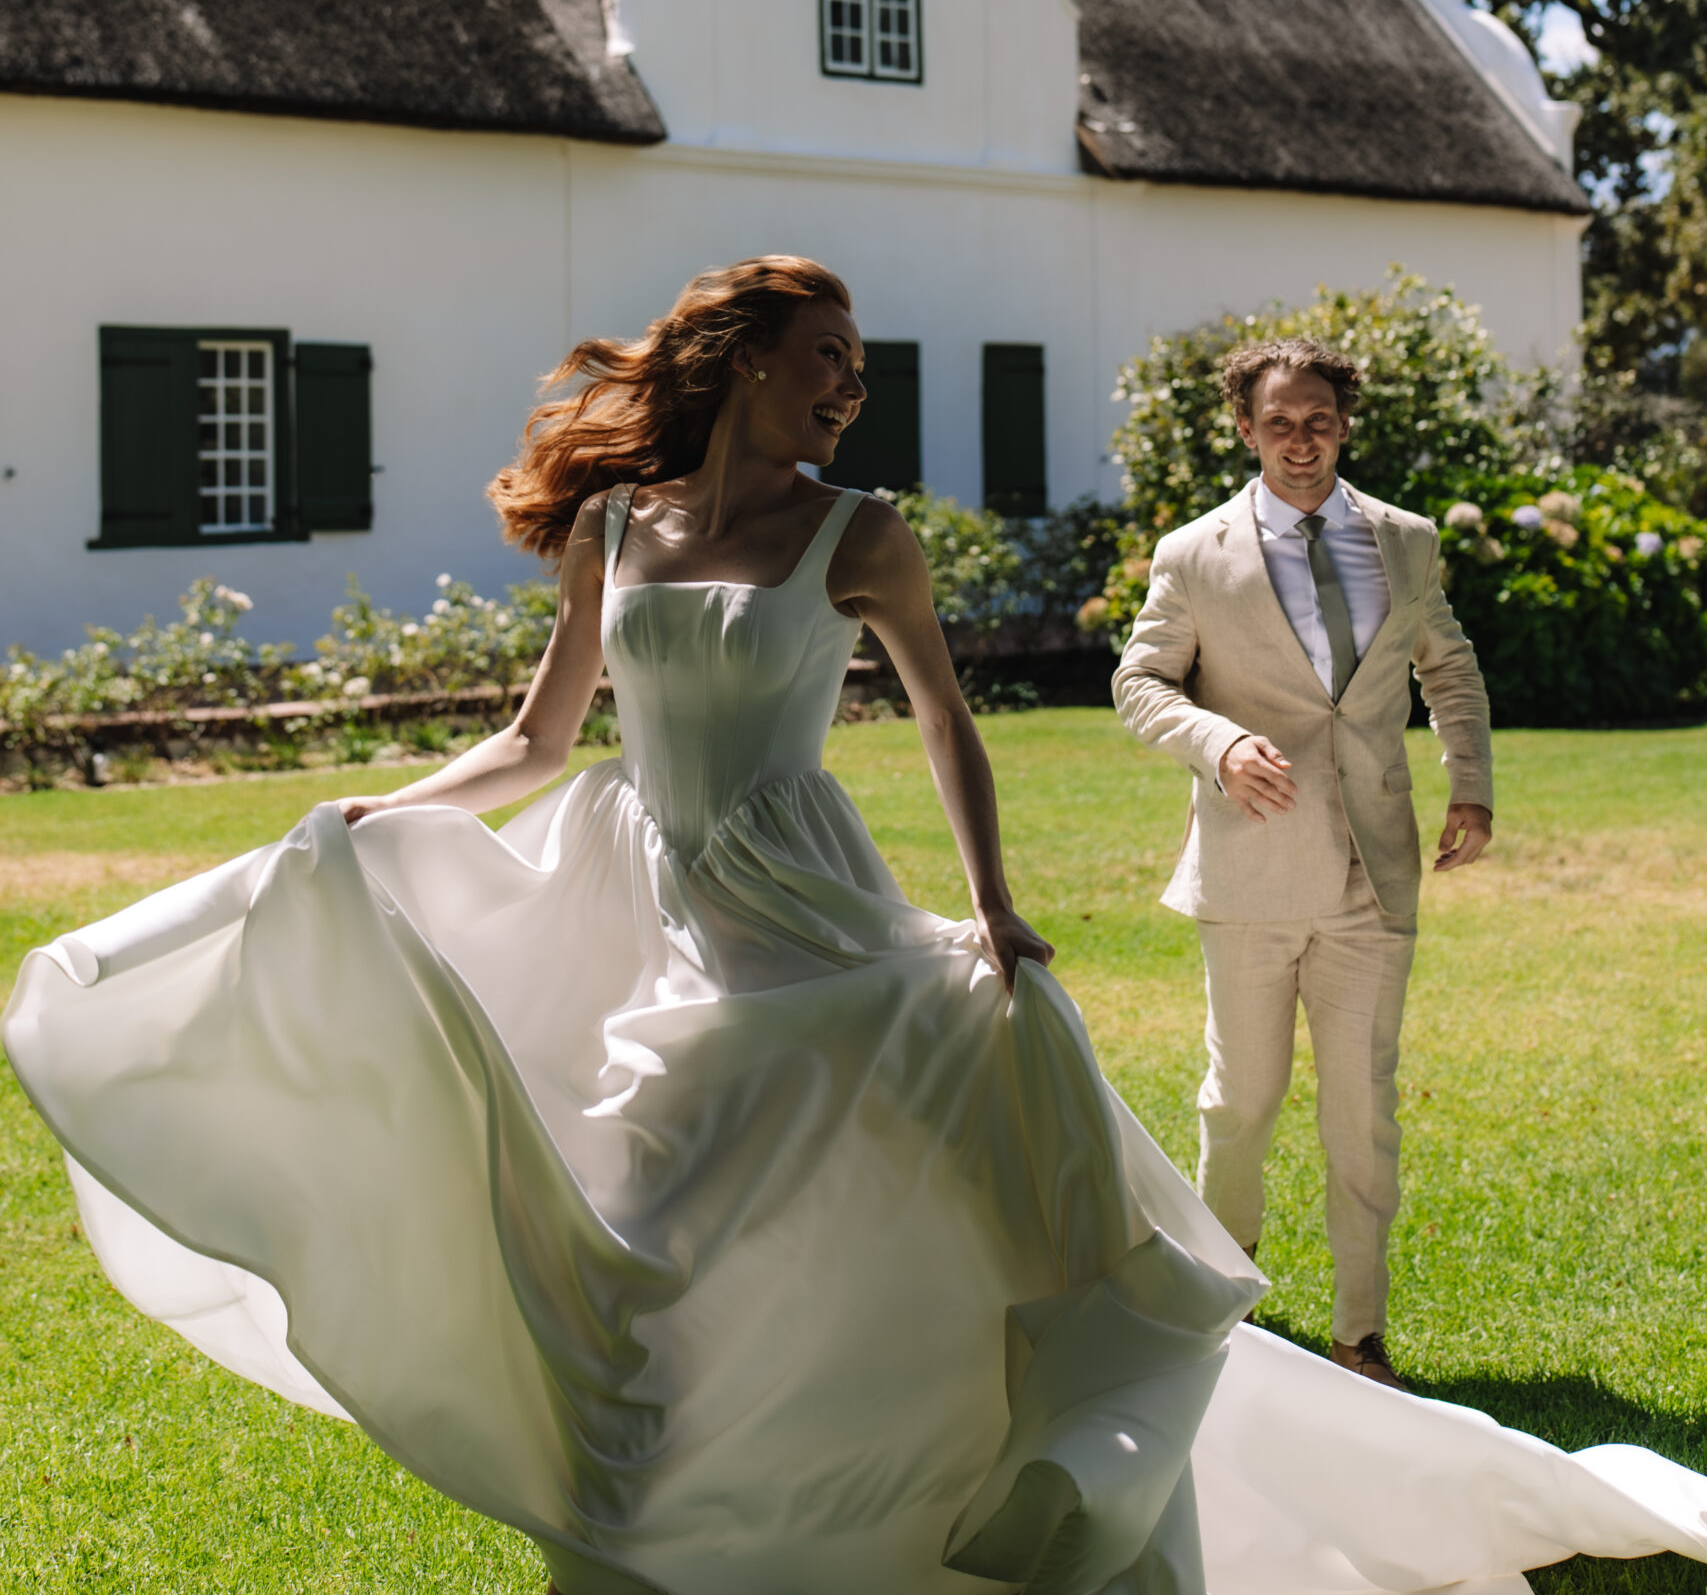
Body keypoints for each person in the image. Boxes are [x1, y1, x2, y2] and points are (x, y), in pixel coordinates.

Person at [9, 270, 1707, 1595]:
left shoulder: (860, 532)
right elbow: (541, 738)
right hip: (637, 884)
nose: (845, 385)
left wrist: (986, 904)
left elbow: (951, 726)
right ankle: (646, 1506)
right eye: (822, 358)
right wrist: (383, 817)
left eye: (857, 369)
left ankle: (937, 1492)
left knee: (800, 1207)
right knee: (635, 1222)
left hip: (798, 905)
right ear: (740, 358)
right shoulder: (619, 526)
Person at [1113, 337, 1492, 1389]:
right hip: (1248, 874)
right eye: (1278, 421)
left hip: (1376, 872)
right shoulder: (1195, 552)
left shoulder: (1405, 543)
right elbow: (1140, 682)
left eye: (1318, 418)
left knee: (1363, 1110)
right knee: (1241, 1101)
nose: (1300, 439)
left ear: (1344, 422)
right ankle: (1215, 1323)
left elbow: (1448, 666)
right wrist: (1217, 741)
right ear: (1245, 427)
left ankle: (1359, 1336)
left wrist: (1472, 781)